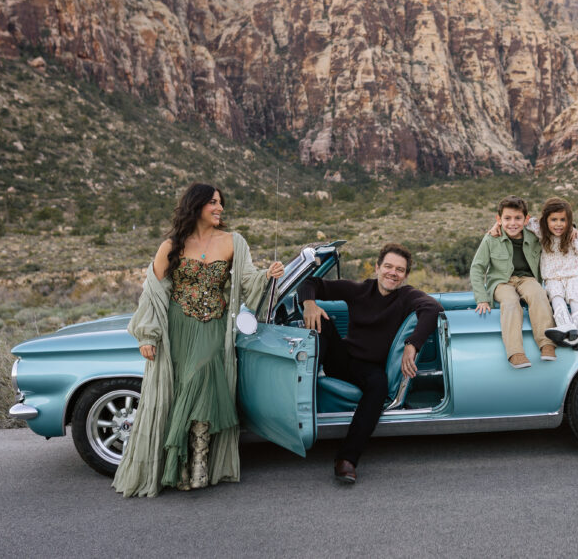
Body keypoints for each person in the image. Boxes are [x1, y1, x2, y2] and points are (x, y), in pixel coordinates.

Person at [113, 182, 283, 497]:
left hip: (213, 328)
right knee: (177, 392)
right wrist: (147, 334)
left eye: (221, 203)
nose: (220, 209)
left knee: (200, 381)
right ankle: (177, 467)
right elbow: (153, 291)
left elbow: (246, 281)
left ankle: (200, 463)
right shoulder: (171, 245)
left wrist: (267, 275)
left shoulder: (234, 242)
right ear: (197, 205)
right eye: (214, 203)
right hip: (176, 328)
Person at [299, 243, 443, 484]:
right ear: (377, 267)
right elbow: (309, 284)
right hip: (342, 358)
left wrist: (413, 343)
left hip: (370, 369)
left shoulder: (407, 296)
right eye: (388, 266)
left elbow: (433, 308)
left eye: (399, 269)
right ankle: (304, 391)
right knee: (322, 322)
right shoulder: (359, 289)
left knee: (378, 386)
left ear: (405, 275)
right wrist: (309, 304)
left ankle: (346, 459)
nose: (392, 273)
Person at [470, 196, 557, 368]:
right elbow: (477, 268)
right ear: (498, 219)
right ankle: (515, 352)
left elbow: (556, 227)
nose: (512, 223)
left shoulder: (534, 236)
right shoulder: (491, 239)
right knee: (510, 302)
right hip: (501, 282)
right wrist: (482, 298)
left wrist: (574, 231)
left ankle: (547, 344)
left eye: (518, 218)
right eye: (507, 218)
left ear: (526, 219)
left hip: (527, 279)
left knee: (539, 294)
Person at [527, 197, 578, 351]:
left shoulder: (574, 236)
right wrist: (497, 225)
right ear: (546, 220)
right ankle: (566, 327)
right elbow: (523, 219)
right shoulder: (540, 230)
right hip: (553, 277)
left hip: (575, 274)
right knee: (555, 296)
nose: (558, 224)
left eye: (563, 220)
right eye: (554, 220)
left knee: (575, 297)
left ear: (569, 220)